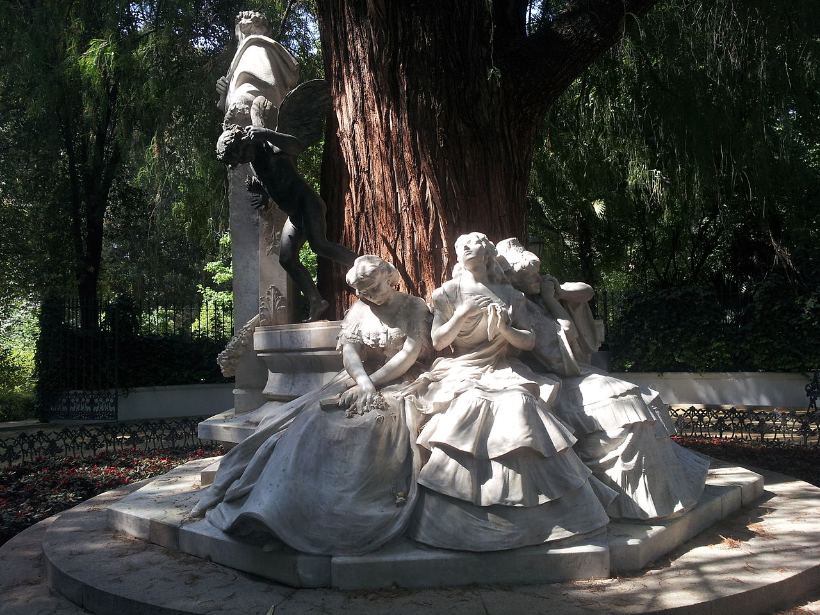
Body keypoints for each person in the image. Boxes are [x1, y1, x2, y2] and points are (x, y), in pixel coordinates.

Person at [192, 256, 431, 555]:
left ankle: (328, 519)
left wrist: (372, 386)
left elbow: (407, 356)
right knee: (298, 424)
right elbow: (351, 354)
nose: (368, 295)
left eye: (372, 287)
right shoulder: (359, 310)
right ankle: (270, 509)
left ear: (388, 276)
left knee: (364, 428)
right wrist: (363, 383)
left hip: (401, 382)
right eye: (363, 291)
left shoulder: (414, 307)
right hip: (358, 381)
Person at [403, 233, 612, 552]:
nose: (466, 249)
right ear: (457, 256)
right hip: (464, 369)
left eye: (473, 244)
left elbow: (528, 341)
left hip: (503, 368)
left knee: (521, 404)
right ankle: (460, 520)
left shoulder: (511, 295)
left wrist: (504, 330)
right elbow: (439, 342)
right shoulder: (446, 293)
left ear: (487, 253)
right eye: (461, 247)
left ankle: (534, 516)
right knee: (468, 407)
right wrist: (461, 315)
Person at [495, 237, 709, 520]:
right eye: (529, 276)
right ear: (513, 280)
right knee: (626, 407)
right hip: (554, 375)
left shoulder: (539, 293)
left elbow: (586, 291)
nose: (537, 279)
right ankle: (634, 500)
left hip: (574, 372)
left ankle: (656, 496)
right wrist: (551, 300)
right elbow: (564, 347)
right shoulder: (524, 307)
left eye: (537, 273)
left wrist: (555, 293)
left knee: (634, 398)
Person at [216, 123, 356, 321]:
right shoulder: (253, 162)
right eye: (239, 160)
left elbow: (296, 145)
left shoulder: (270, 147)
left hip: (307, 204)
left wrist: (268, 133)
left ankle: (362, 263)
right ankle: (316, 301)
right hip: (294, 215)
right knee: (287, 258)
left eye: (241, 156)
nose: (242, 161)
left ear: (246, 143)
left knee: (319, 245)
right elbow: (275, 184)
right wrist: (261, 193)